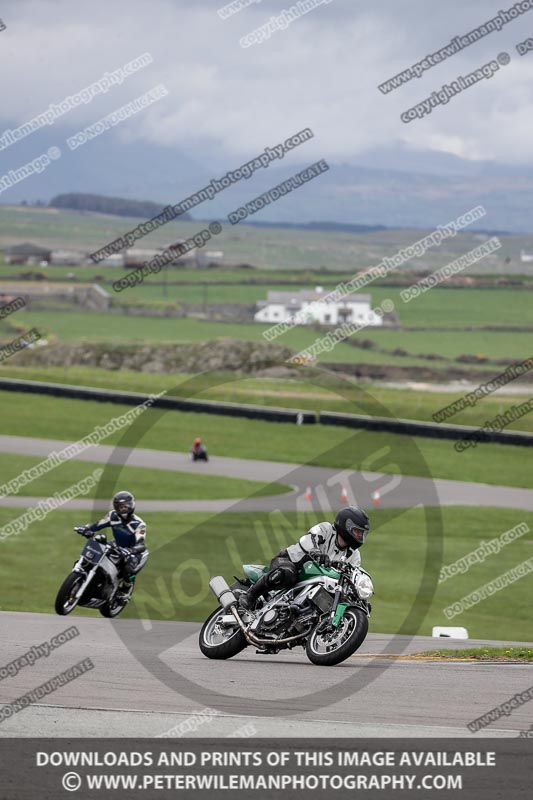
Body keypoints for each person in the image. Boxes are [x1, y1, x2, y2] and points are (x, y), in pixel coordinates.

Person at [238, 506, 370, 612]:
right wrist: (316, 552)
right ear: (346, 525)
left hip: (317, 582)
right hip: (292, 563)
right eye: (357, 532)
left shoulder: (354, 555)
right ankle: (250, 596)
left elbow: (352, 575)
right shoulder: (326, 529)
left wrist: (360, 599)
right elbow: (309, 538)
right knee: (287, 574)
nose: (359, 536)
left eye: (361, 534)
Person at [75, 490, 148, 597]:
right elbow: (97, 525)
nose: (123, 509)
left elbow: (141, 544)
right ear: (116, 507)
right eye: (120, 507)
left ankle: (126, 587)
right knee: (97, 552)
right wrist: (85, 528)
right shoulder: (112, 515)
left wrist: (130, 550)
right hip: (116, 545)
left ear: (132, 506)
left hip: (133, 551)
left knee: (128, 568)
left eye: (126, 506)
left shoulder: (139, 524)